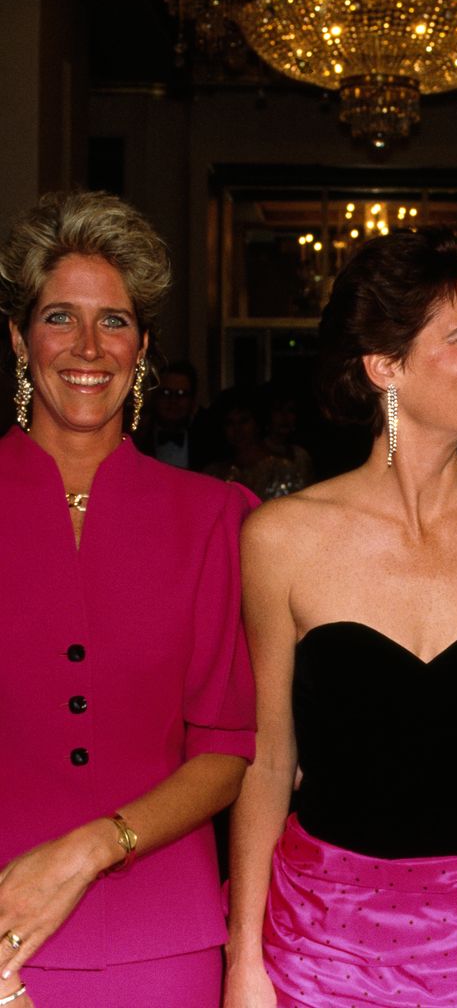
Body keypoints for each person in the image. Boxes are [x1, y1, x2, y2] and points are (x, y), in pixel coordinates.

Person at [224, 228, 457, 1008]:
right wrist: (243, 962)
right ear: (385, 366)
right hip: (323, 937)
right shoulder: (280, 539)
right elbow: (268, 762)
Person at [0, 191, 257, 1006]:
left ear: (143, 346)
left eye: (113, 322)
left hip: (163, 939)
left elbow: (225, 750)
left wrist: (87, 850)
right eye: (59, 318)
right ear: (18, 337)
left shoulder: (216, 516)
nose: (87, 347)